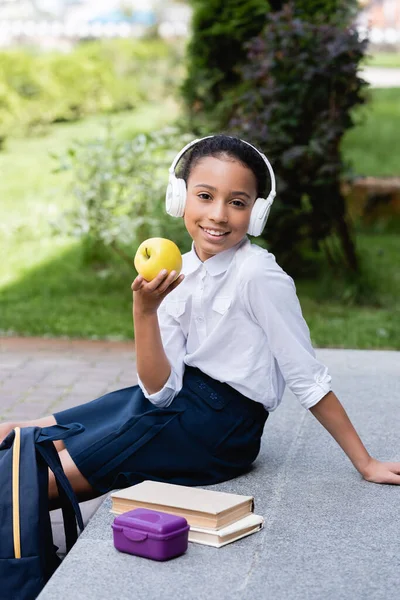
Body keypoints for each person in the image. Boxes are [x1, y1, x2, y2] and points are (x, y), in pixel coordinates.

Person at [1, 134, 399, 507]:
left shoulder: (258, 275)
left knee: (46, 478)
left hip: (222, 429)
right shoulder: (180, 271)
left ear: (257, 212)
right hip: (181, 398)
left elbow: (306, 377)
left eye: (238, 203)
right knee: (25, 433)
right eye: (205, 196)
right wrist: (145, 313)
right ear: (180, 199)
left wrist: (365, 462)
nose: (218, 215)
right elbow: (159, 390)